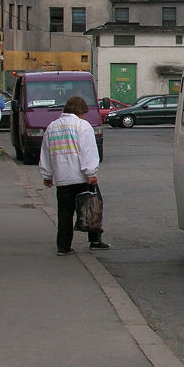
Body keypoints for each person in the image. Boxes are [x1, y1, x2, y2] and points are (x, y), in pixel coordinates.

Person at [39, 95, 111, 255]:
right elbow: (88, 151)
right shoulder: (82, 126)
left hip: (62, 178)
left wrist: (47, 175)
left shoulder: (52, 127)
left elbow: (46, 152)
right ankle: (95, 240)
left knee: (65, 212)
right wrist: (91, 172)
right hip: (81, 177)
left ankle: (63, 246)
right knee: (93, 207)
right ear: (80, 111)